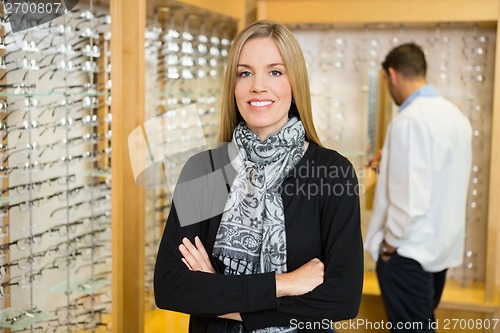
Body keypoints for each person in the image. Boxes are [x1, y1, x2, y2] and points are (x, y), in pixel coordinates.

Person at [154, 20, 363, 332]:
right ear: (234, 85)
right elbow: (170, 286)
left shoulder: (333, 171)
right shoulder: (205, 171)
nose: (258, 86)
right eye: (245, 72)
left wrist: (218, 296)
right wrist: (286, 283)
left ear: (295, 83)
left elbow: (341, 299)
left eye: (275, 71)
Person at [365, 43, 472, 332]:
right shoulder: (455, 117)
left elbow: (409, 202)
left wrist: (389, 246)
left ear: (392, 75)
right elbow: (439, 178)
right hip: (439, 251)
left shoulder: (408, 121)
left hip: (407, 253)